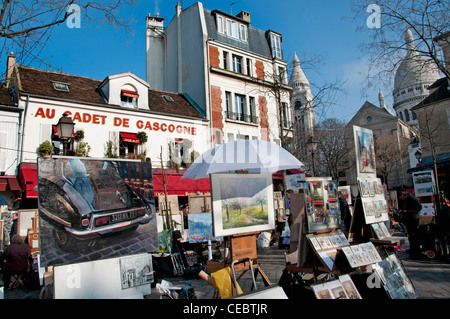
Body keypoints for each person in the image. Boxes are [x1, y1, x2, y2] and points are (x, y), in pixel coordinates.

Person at [398, 188, 422, 259]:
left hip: (413, 218)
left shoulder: (413, 199)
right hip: (408, 218)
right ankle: (412, 248)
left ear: (404, 195)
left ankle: (416, 250)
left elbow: (419, 207)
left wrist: (409, 211)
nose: (401, 198)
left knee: (413, 234)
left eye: (401, 197)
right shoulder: (404, 200)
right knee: (410, 235)